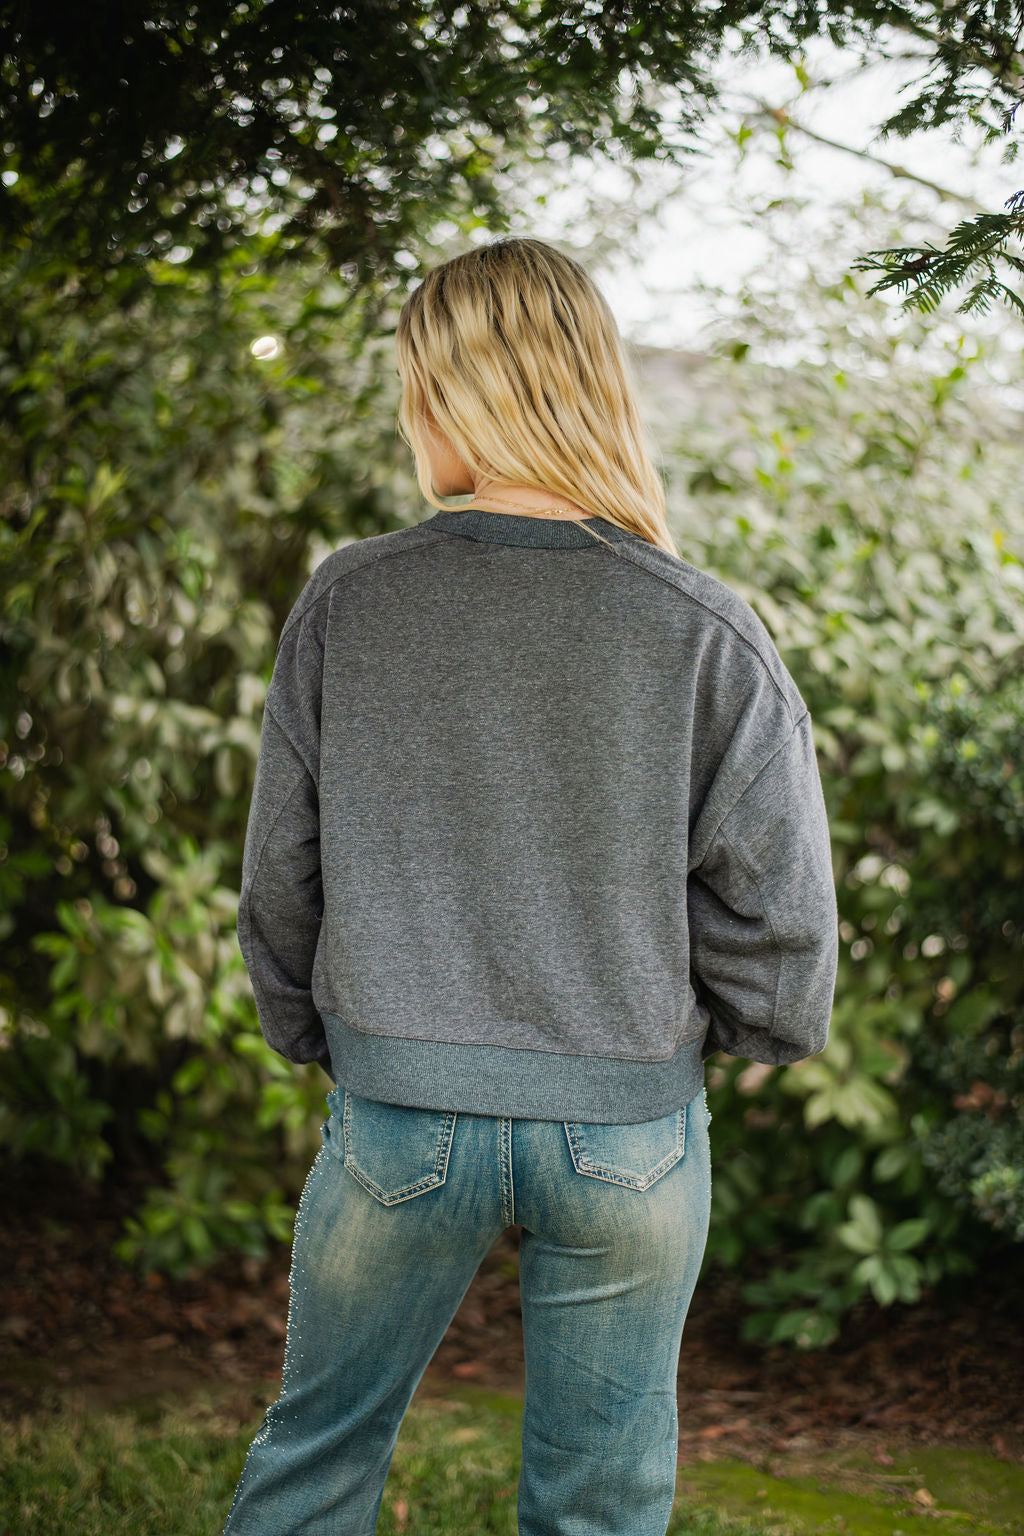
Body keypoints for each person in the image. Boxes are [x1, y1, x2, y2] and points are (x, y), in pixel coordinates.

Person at [221, 235, 839, 1536]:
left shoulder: (352, 601)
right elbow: (784, 936)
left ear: (444, 393)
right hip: (628, 1135)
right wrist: (726, 1037)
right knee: (599, 1507)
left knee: (314, 1464)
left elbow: (281, 876)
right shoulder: (703, 626)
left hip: (399, 1117)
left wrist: (321, 1033)